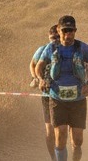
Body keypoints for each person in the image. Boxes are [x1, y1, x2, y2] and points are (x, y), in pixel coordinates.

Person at [36, 15, 88, 161]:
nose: (68, 34)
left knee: (77, 140)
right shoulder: (51, 48)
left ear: (75, 31)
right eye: (65, 30)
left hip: (78, 99)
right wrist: (41, 79)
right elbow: (38, 66)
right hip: (57, 98)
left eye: (71, 31)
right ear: (58, 30)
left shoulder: (82, 47)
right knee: (61, 135)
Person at [32, 24, 62, 160]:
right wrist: (37, 78)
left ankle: (62, 155)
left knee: (61, 131)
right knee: (50, 131)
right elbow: (32, 64)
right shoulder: (44, 49)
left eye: (57, 37)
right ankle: (53, 158)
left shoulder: (69, 48)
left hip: (65, 94)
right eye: (52, 37)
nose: (54, 40)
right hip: (47, 94)